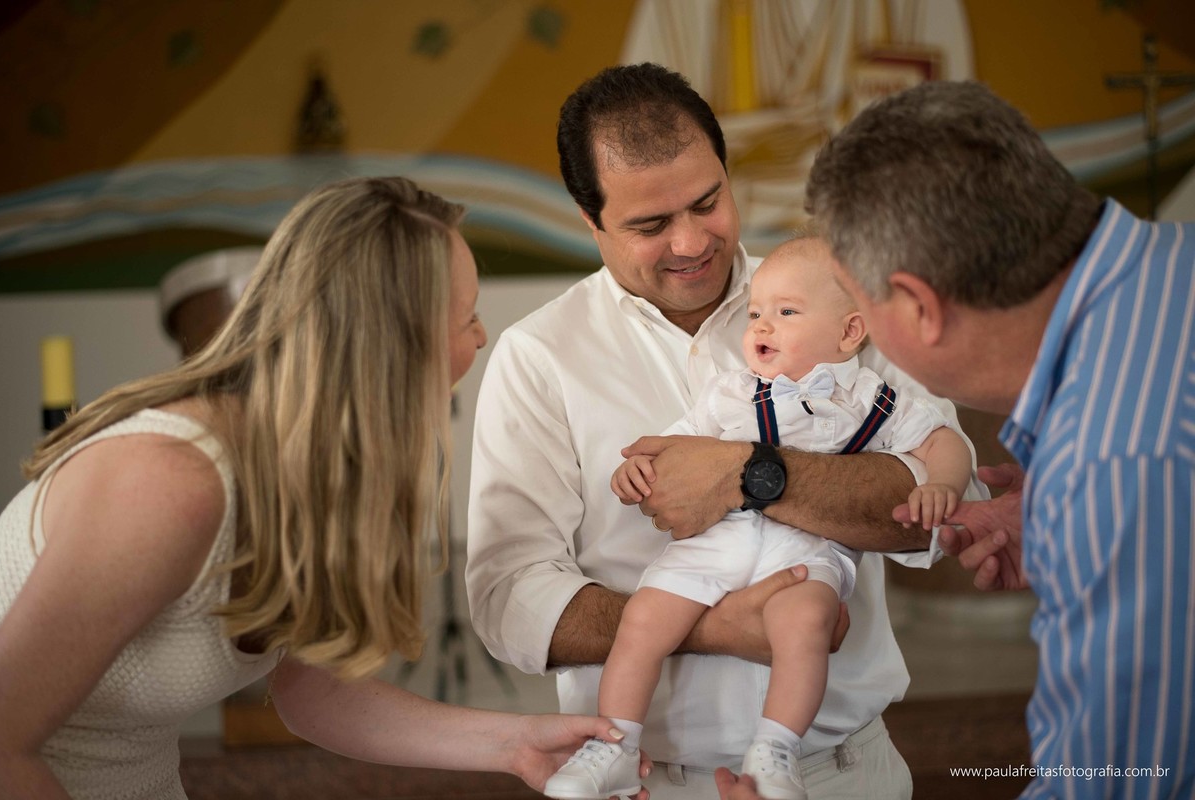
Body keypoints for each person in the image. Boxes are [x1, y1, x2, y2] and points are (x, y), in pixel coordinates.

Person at [0, 176, 647, 800]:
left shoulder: (300, 474)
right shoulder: (170, 483)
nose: (480, 337)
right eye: (466, 318)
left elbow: (314, 692)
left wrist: (516, 743)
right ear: (394, 344)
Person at [466, 62, 985, 800]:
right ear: (591, 220)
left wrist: (750, 472)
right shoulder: (540, 356)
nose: (688, 243)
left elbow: (929, 506)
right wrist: (713, 626)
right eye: (649, 225)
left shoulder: (831, 296)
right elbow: (509, 599)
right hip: (644, 782)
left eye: (707, 203)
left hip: (842, 774)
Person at [804, 79, 1194, 799]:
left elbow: (1117, 782)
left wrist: (1099, 511)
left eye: (855, 305)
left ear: (920, 306)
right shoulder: (1173, 259)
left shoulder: (1112, 464)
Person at [544, 238, 973, 800]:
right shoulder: (732, 391)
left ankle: (775, 750)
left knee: (806, 624)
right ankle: (616, 744)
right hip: (716, 544)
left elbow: (944, 440)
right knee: (644, 619)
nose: (762, 327)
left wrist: (942, 481)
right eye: (755, 314)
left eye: (786, 313)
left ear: (849, 332)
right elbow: (676, 447)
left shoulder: (873, 398)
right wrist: (640, 468)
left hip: (806, 553)